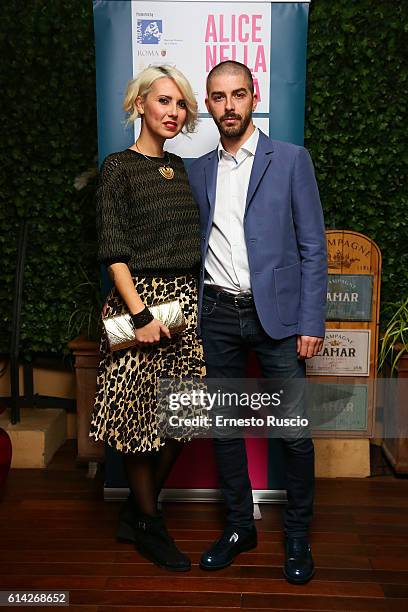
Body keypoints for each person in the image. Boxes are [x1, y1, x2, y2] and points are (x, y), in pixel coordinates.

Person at [188, 60, 327, 584]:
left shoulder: (291, 160)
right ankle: (239, 526)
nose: (229, 106)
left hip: (281, 319)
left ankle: (296, 534)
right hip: (218, 314)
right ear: (208, 103)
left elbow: (314, 248)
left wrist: (311, 320)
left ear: (254, 96)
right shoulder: (198, 169)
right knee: (224, 428)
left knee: (295, 434)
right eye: (218, 98)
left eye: (238, 95)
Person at [90, 65, 205, 572]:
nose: (173, 112)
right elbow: (113, 250)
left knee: (180, 417)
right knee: (140, 419)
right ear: (141, 105)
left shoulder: (180, 168)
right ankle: (150, 525)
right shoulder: (118, 166)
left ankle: (138, 514)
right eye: (163, 101)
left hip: (184, 301)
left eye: (180, 104)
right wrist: (137, 314)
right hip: (140, 300)